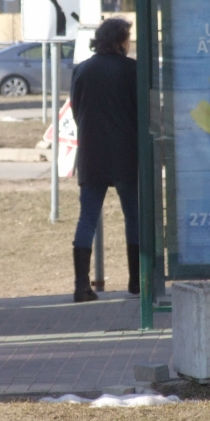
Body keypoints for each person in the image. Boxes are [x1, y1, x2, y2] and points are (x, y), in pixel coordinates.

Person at [69, 17, 139, 303]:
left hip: (92, 153)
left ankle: (81, 285)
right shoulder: (132, 70)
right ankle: (137, 281)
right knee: (133, 216)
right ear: (120, 41)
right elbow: (141, 112)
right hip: (126, 153)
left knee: (87, 218)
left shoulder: (82, 70)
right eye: (128, 38)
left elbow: (76, 110)